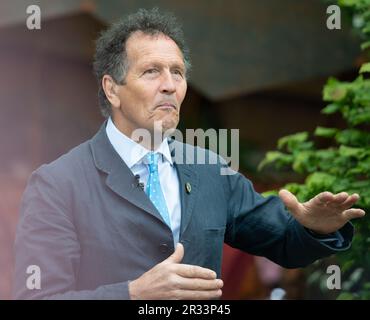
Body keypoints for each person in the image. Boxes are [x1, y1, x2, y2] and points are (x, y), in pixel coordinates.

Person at [13, 8, 365, 300]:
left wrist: (314, 228)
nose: (169, 84)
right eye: (152, 71)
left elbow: (285, 242)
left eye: (177, 72)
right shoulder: (58, 184)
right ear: (112, 89)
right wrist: (133, 293)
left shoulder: (210, 169)